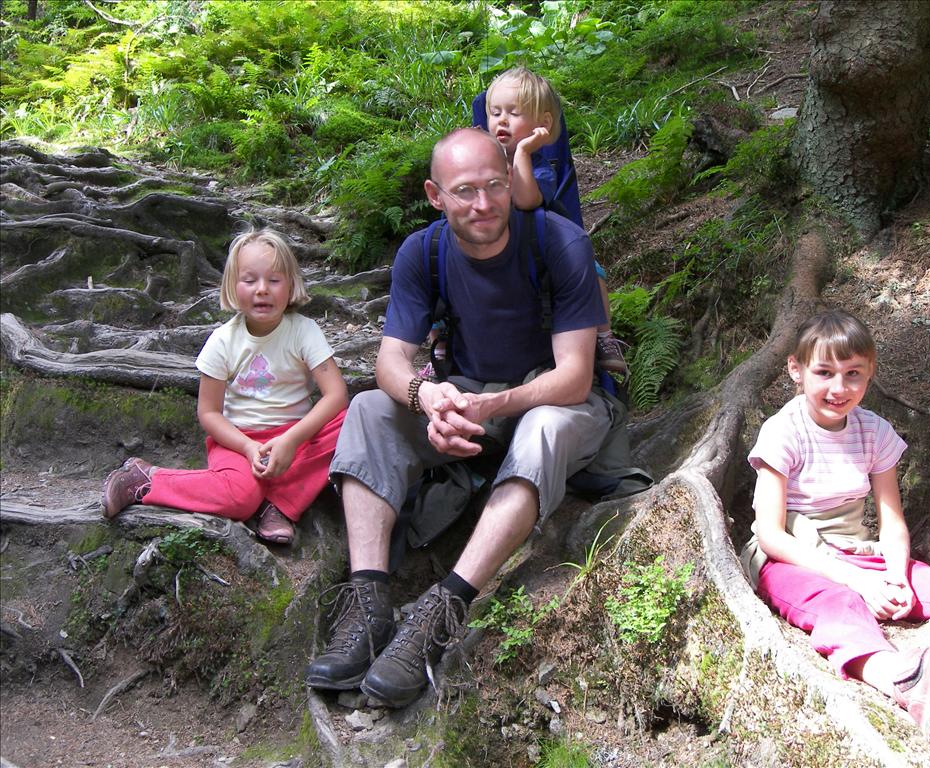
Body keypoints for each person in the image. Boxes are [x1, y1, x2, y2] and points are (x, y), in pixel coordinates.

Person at [305, 128, 614, 707]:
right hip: (468, 394)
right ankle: (368, 604)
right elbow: (390, 361)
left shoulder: (559, 242)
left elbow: (574, 376)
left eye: (495, 185)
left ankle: (443, 607)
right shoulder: (423, 253)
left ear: (511, 181)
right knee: (369, 407)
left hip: (560, 404)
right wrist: (428, 398)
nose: (483, 203)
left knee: (542, 428)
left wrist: (491, 405)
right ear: (435, 195)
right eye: (465, 190)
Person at [741, 309, 930, 748]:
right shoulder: (783, 432)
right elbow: (770, 535)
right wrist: (856, 582)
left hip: (856, 550)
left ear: (870, 372)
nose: (839, 388)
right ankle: (908, 682)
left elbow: (892, 522)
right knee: (837, 605)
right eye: (824, 372)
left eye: (853, 373)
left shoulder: (874, 431)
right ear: (796, 370)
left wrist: (895, 577)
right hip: (789, 558)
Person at [101, 229, 348, 546]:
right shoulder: (222, 341)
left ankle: (276, 506)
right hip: (238, 442)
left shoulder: (304, 331)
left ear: (291, 285)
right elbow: (208, 413)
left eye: (274, 280)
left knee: (352, 421)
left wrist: (292, 439)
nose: (262, 290)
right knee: (240, 497)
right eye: (250, 280)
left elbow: (336, 395)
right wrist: (247, 447)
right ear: (233, 286)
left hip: (296, 439)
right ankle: (147, 480)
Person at [484, 66, 628, 376]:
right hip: (497, 248)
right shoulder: (482, 163)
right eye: (495, 113)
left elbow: (525, 200)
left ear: (543, 125)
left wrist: (523, 151)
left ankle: (605, 337)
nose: (502, 120)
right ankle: (441, 339)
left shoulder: (540, 167)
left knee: (592, 269)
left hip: (543, 246)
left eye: (513, 113)